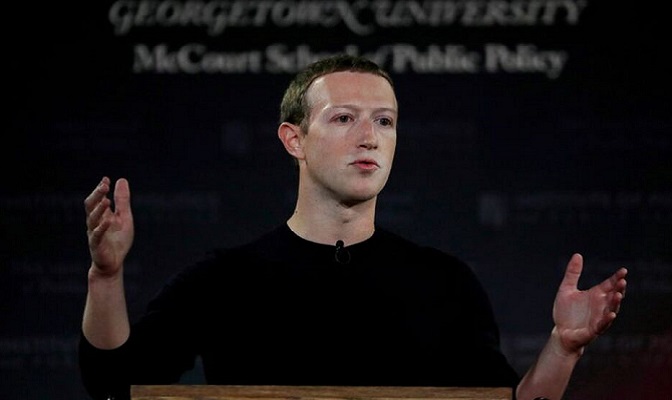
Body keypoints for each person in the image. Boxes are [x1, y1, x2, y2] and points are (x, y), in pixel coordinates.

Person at [79, 54, 628, 400]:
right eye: (344, 118)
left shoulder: (444, 283)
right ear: (294, 140)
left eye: (384, 121)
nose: (369, 136)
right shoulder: (222, 280)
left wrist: (563, 348)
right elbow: (112, 386)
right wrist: (106, 278)